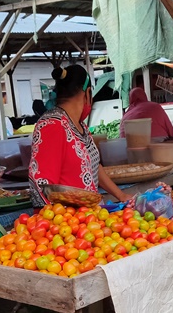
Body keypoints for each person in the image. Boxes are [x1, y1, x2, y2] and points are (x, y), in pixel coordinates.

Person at [28, 65, 130, 207]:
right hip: (68, 218)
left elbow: (94, 166)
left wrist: (121, 195)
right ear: (87, 93)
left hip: (90, 215)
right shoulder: (51, 126)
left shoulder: (80, 126)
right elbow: (41, 185)